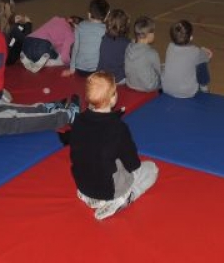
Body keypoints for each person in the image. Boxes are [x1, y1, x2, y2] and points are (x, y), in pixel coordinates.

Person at [67, 71, 158, 220]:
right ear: (113, 98)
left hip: (83, 185)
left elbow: (77, 153)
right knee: (151, 169)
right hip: (108, 189)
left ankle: (91, 197)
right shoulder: (118, 128)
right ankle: (125, 198)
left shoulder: (78, 121)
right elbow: (133, 164)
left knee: (99, 155)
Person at [161, 20, 212, 98]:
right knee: (202, 65)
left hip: (166, 88)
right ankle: (204, 88)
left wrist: (202, 53)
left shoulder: (170, 46)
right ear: (191, 37)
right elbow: (203, 58)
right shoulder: (196, 51)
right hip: (186, 92)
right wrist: (206, 55)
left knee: (166, 66)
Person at [62, 0, 110, 77]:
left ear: (89, 14)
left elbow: (75, 48)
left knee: (74, 45)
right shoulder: (106, 30)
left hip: (79, 69)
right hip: (96, 71)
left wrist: (71, 69)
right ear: (107, 16)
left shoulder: (80, 26)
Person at [124, 16, 162, 92]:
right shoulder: (152, 53)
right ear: (149, 35)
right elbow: (159, 72)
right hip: (148, 87)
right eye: (153, 32)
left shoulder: (129, 47)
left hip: (130, 83)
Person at [0, 0, 32, 66]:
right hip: (8, 59)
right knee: (22, 29)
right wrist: (28, 24)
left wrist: (14, 21)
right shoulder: (13, 28)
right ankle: (27, 57)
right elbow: (27, 41)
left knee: (18, 29)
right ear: (11, 8)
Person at [97, 9, 131, 84]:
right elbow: (127, 66)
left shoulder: (104, 39)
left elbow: (101, 60)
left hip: (104, 77)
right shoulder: (127, 43)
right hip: (119, 79)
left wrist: (98, 74)